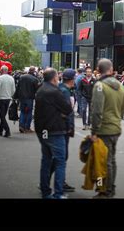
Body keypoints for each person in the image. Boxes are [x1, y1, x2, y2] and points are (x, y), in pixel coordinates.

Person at [34, 68, 74, 199]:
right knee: (60, 161)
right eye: (57, 76)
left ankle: (45, 190)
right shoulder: (55, 91)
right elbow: (67, 109)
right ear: (54, 78)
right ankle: (58, 193)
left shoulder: (41, 89)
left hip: (42, 130)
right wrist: (62, 112)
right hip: (55, 130)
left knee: (46, 160)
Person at [90, 58, 124, 198]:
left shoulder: (99, 86)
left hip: (103, 129)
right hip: (116, 127)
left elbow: (96, 111)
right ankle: (110, 188)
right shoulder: (121, 86)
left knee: (103, 162)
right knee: (111, 160)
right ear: (111, 70)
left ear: (98, 70)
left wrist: (94, 131)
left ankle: (105, 191)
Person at [56, 69, 76, 192]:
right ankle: (59, 183)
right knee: (61, 156)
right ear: (71, 79)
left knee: (58, 156)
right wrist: (70, 127)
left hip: (60, 127)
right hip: (62, 128)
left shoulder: (62, 88)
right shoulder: (64, 91)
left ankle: (48, 181)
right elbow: (65, 111)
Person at [16, 67, 39, 133]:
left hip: (22, 97)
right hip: (29, 97)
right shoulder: (35, 79)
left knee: (23, 111)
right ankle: (27, 127)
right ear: (34, 71)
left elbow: (18, 87)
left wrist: (15, 96)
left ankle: (21, 125)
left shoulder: (22, 77)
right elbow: (37, 90)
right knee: (29, 112)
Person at [0, 65, 15, 137]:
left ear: (2, 70)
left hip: (1, 98)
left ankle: (7, 130)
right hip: (8, 98)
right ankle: (0, 130)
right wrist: (10, 95)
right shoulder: (11, 78)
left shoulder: (0, 78)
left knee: (2, 116)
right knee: (3, 115)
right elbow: (13, 90)